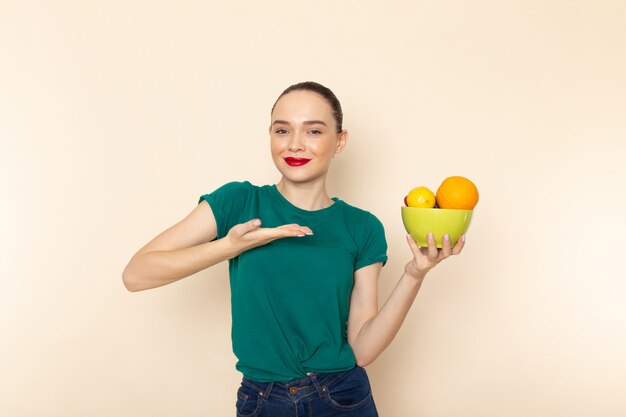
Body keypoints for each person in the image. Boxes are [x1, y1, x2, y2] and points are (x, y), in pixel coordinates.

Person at [122, 81, 465, 417]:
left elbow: (361, 349)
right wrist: (228, 247)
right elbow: (136, 275)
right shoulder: (239, 202)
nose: (295, 145)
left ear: (340, 141)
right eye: (282, 131)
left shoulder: (362, 227)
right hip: (263, 400)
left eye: (313, 131)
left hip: (343, 397)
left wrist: (414, 274)